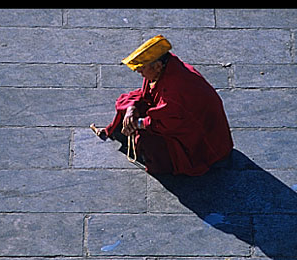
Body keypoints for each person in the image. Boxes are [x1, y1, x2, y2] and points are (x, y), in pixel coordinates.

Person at [91, 35, 233, 176]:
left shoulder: (174, 89)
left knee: (147, 143)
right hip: (179, 118)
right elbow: (145, 95)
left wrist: (137, 123)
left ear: (157, 66)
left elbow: (167, 122)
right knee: (131, 107)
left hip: (203, 142)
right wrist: (130, 109)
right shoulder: (165, 68)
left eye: (141, 70)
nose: (140, 74)